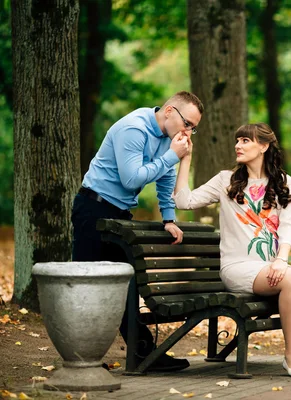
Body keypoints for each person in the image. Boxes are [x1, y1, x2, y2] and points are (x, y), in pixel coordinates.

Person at [173, 123, 291, 381]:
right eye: (237, 141)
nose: (238, 145)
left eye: (245, 140)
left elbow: (287, 228)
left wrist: (281, 260)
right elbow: (183, 201)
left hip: (271, 267)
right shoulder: (226, 181)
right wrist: (186, 158)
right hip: (237, 268)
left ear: (264, 146)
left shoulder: (284, 183)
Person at [71, 91, 203, 372]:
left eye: (194, 127)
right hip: (93, 209)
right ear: (169, 111)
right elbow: (131, 180)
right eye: (187, 123)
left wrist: (169, 218)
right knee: (88, 287)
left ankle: (144, 355)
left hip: (119, 215)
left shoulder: (169, 140)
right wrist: (172, 157)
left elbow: (165, 183)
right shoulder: (134, 128)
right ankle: (81, 360)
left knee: (127, 286)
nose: (189, 131)